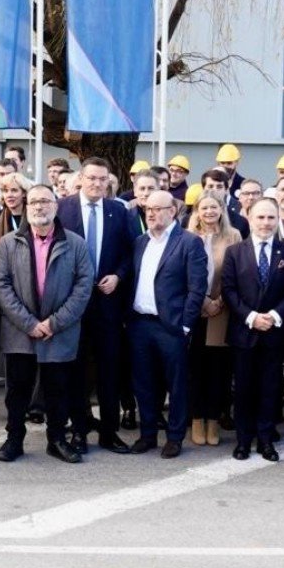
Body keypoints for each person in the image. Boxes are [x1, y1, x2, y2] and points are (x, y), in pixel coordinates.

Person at [0, 184, 94, 463]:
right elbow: (1, 285)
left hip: (59, 332)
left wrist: (54, 323)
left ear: (56, 206)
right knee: (17, 392)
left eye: (45, 201)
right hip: (19, 331)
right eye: (34, 201)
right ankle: (14, 440)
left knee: (57, 390)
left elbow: (84, 286)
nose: (39, 206)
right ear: (27, 207)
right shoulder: (9, 242)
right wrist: (29, 323)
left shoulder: (75, 243)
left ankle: (57, 440)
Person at [58, 158, 137, 454]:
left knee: (109, 370)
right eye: (91, 178)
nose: (96, 183)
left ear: (108, 182)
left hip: (107, 304)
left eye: (102, 179)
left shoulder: (119, 210)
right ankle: (79, 430)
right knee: (76, 369)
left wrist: (118, 275)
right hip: (73, 303)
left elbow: (130, 253)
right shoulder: (62, 208)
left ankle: (109, 432)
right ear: (81, 178)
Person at [125, 189, 209, 457]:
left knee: (176, 384)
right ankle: (148, 434)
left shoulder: (189, 242)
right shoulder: (140, 241)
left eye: (157, 209)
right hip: (140, 324)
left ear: (172, 211)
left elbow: (197, 288)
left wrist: (185, 325)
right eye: (147, 209)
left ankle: (174, 437)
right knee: (143, 383)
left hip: (171, 326)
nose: (151, 213)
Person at [219, 197, 284, 460]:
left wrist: (274, 315)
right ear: (250, 219)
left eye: (271, 218)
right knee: (243, 389)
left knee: (270, 389)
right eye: (260, 217)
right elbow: (229, 290)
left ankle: (266, 440)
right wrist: (252, 316)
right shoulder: (235, 251)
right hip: (245, 331)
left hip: (274, 332)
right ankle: (243, 440)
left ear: (277, 220)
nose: (265, 223)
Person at [185, 192, 241, 447]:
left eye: (214, 207)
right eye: (204, 207)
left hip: (222, 312)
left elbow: (238, 274)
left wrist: (218, 301)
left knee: (218, 371)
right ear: (197, 210)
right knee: (195, 370)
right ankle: (197, 419)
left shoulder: (233, 236)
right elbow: (181, 273)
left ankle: (213, 420)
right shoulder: (187, 237)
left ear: (222, 209)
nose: (209, 211)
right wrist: (203, 301)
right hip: (194, 311)